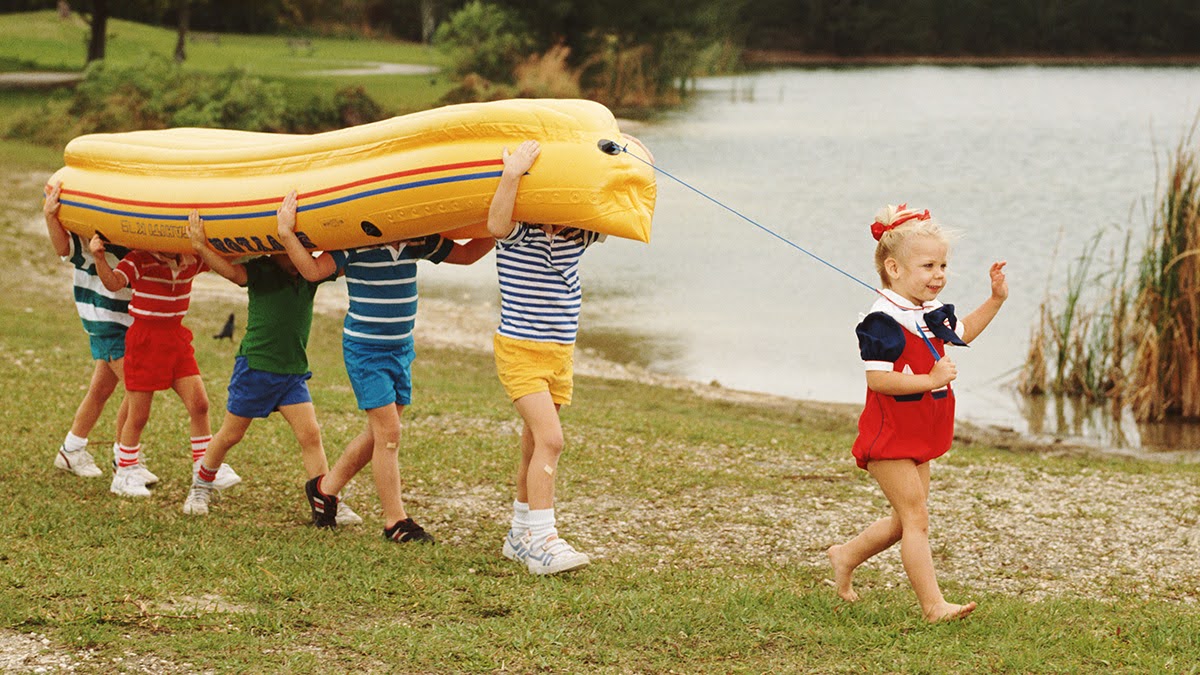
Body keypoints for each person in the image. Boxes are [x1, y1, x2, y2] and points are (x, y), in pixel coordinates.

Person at [276, 189, 493, 542]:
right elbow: (314, 270)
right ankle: (396, 522)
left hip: (400, 348)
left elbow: (468, 254)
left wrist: (502, 226)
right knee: (389, 434)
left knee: (380, 432)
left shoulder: (418, 241)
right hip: (366, 351)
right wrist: (287, 233)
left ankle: (325, 490)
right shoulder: (355, 243)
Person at [826, 204, 1007, 622]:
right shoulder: (883, 321)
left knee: (901, 519)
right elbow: (879, 381)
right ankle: (933, 606)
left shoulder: (926, 311)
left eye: (943, 264)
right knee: (916, 518)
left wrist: (995, 299)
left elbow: (962, 334)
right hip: (890, 436)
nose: (938, 274)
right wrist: (930, 379)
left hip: (920, 432)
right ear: (893, 268)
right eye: (928, 265)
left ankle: (845, 555)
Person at [486, 138, 651, 575]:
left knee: (532, 444)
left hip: (560, 352)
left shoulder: (582, 233)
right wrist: (511, 174)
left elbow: (617, 201)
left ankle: (519, 534)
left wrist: (627, 155)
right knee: (552, 440)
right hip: (520, 350)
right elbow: (496, 223)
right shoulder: (519, 232)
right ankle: (543, 540)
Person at [181, 196, 361, 525]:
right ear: (273, 247)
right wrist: (201, 246)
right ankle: (201, 485)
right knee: (230, 436)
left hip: (292, 373)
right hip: (256, 369)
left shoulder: (310, 275)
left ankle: (326, 498)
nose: (296, 260)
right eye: (289, 250)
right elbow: (232, 273)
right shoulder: (261, 270)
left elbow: (343, 257)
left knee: (311, 435)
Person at [90, 225, 239, 497]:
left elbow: (226, 260)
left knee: (200, 403)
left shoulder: (191, 258)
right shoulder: (140, 258)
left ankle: (204, 468)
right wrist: (99, 257)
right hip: (145, 339)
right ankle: (124, 472)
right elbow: (113, 283)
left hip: (176, 339)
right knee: (139, 414)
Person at [44, 181, 132, 479]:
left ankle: (71, 450)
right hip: (104, 319)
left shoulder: (136, 235)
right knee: (137, 389)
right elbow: (63, 248)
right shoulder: (87, 237)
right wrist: (49, 216)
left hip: (129, 321)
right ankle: (125, 459)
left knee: (100, 390)